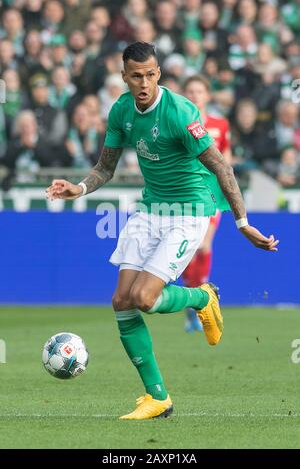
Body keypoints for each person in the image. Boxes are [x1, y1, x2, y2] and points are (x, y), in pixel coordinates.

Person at [46, 42, 279, 420]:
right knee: (122, 301)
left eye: (150, 74)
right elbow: (105, 167)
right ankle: (158, 398)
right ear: (124, 76)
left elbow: (221, 166)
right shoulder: (121, 110)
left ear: (159, 74)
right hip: (151, 209)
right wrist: (80, 188)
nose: (144, 82)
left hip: (188, 212)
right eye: (135, 76)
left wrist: (242, 223)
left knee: (144, 297)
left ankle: (202, 298)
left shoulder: (180, 112)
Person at [182, 74, 232, 332]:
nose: (194, 95)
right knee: (187, 249)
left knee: (204, 244)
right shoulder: (179, 122)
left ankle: (202, 301)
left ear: (207, 95)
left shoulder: (220, 124)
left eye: (199, 91)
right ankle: (193, 301)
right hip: (185, 193)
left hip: (211, 194)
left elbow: (226, 159)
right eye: (190, 90)